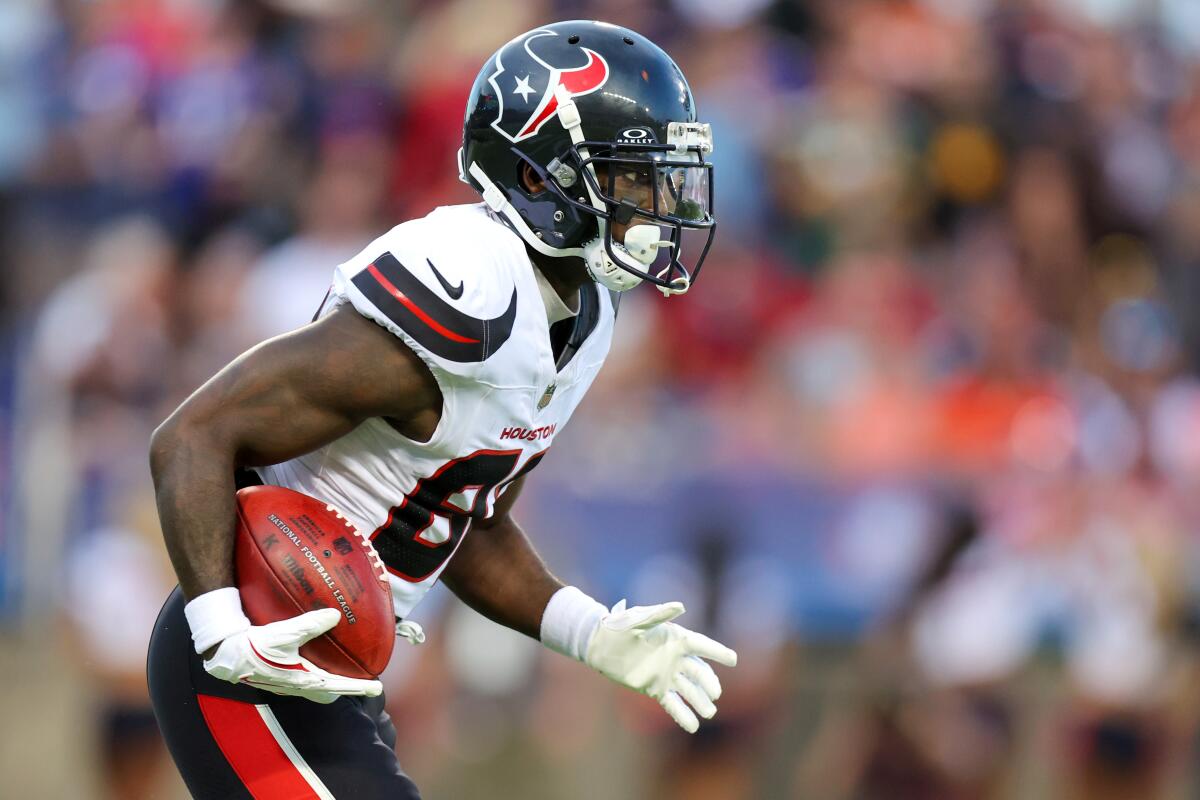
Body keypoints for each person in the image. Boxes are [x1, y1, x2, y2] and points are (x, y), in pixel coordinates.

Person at [146, 20, 735, 799]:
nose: (654, 204)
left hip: (334, 667)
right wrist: (223, 631)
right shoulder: (468, 284)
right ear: (536, 178)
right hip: (252, 645)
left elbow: (470, 524)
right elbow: (193, 434)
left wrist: (587, 631)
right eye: (627, 177)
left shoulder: (585, 317)